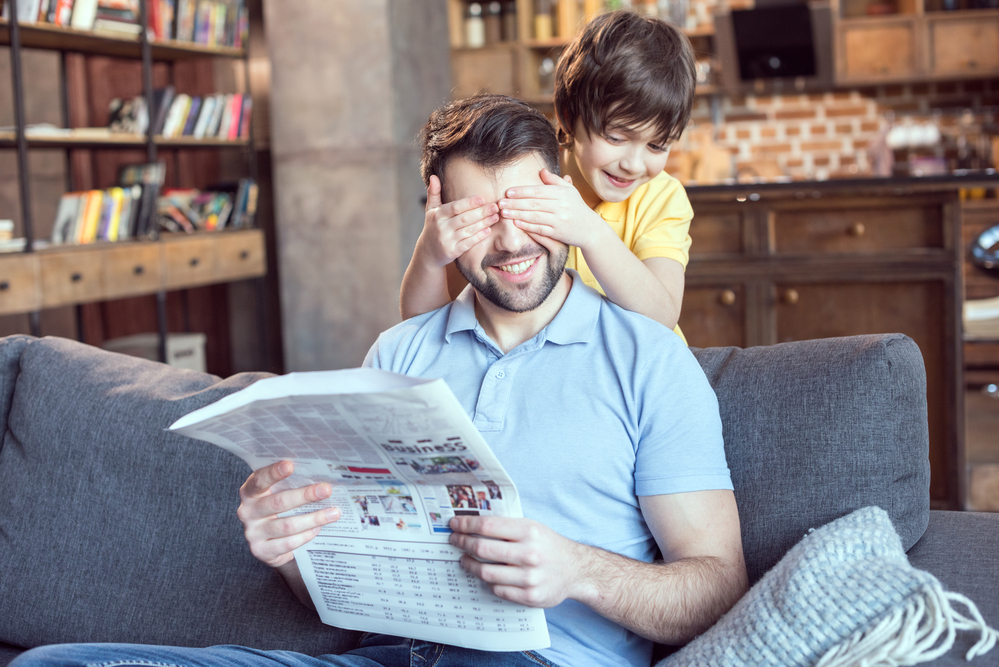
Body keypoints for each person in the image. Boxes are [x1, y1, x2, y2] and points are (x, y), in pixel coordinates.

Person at [11, 95, 745, 667]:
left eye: (525, 210)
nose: (512, 241)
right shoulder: (398, 354)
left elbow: (715, 584)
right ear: (437, 213)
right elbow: (342, 594)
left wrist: (580, 570)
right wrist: (292, 549)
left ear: (563, 197)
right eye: (478, 218)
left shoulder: (647, 357)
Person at [400, 11, 697, 342]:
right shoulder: (519, 181)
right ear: (569, 117)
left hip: (636, 373)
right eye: (616, 138)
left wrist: (590, 231)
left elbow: (663, 315)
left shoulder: (661, 198)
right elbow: (424, 328)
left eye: (657, 145)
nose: (634, 163)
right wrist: (428, 254)